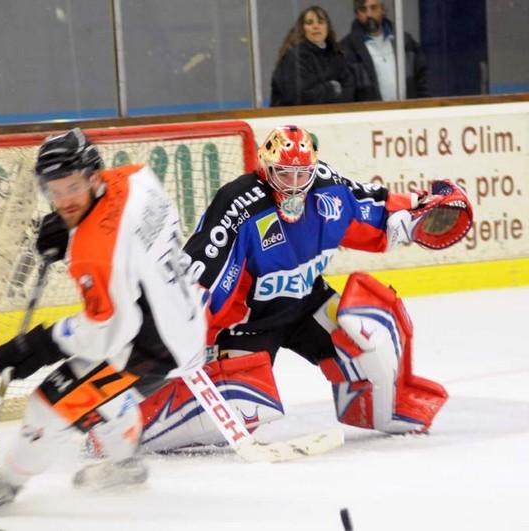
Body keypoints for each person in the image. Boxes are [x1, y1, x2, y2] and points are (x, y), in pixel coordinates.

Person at [137, 125, 473, 451]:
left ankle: (382, 407)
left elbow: (375, 205)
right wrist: (187, 328)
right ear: (266, 168)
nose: (295, 185)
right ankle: (139, 423)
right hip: (250, 323)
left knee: (369, 333)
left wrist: (416, 211)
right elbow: (204, 273)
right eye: (285, 174)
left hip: (306, 303)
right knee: (246, 404)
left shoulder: (329, 188)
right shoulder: (239, 203)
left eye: (302, 175)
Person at [0, 128, 206, 512]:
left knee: (49, 404)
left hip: (153, 345)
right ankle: (126, 466)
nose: (64, 200)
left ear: (94, 178)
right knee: (101, 392)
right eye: (54, 191)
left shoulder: (94, 253)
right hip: (185, 317)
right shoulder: (135, 177)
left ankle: (7, 484)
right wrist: (69, 227)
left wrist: (43, 344)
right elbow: (123, 228)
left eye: (73, 187)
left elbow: (107, 333)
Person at [340, 0, 428, 101]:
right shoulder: (347, 49)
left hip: (408, 109)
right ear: (357, 14)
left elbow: (423, 80)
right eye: (363, 9)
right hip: (371, 110)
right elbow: (348, 92)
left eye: (373, 8)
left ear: (383, 10)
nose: (369, 14)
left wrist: (423, 106)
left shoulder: (404, 41)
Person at [270, 6, 355, 107]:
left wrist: (322, 92)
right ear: (302, 29)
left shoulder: (336, 56)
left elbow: (348, 90)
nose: (316, 26)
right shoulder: (295, 56)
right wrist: (332, 87)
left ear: (327, 27)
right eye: (309, 23)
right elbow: (299, 97)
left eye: (320, 22)